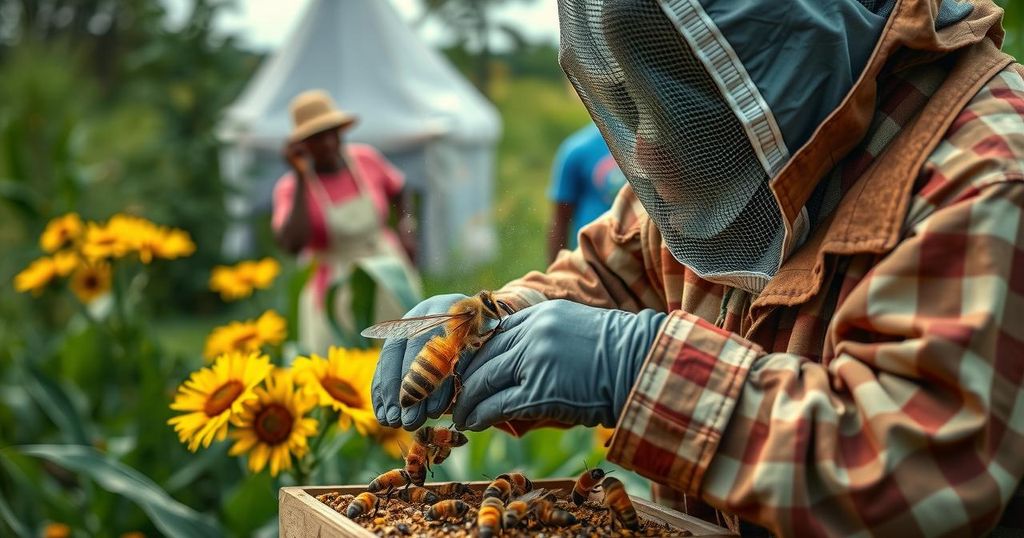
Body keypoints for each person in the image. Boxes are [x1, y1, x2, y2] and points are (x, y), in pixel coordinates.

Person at [372, 1, 1024, 536]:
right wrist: (483, 325)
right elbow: (611, 269)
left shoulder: (987, 174)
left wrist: (639, 369)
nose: (647, 153)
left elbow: (918, 472)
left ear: (783, 65)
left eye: (681, 101)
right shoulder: (745, 143)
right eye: (636, 99)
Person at [273, 89, 420, 354]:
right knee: (344, 355)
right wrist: (300, 177)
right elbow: (293, 244)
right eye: (316, 138)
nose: (328, 143)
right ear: (301, 145)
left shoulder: (366, 159)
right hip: (334, 284)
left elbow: (401, 189)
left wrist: (407, 228)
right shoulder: (289, 189)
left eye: (332, 132)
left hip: (385, 264)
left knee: (403, 348)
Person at [547, 122, 626, 263]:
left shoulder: (646, 146)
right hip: (590, 263)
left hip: (639, 261)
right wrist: (555, 271)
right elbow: (561, 219)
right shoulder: (577, 150)